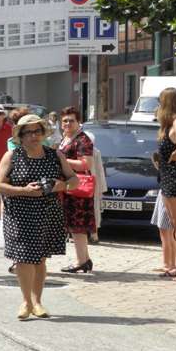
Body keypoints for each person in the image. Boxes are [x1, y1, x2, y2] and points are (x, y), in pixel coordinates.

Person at [0, 114, 78, 320]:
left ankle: (38, 302)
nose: (34, 136)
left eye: (37, 131)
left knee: (40, 259)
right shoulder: (12, 156)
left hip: (47, 213)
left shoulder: (54, 155)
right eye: (28, 132)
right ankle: (26, 302)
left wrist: (63, 185)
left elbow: (74, 180)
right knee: (24, 259)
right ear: (20, 136)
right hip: (20, 214)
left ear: (43, 133)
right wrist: (24, 190)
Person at [58, 106, 96, 273]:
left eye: (71, 120)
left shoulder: (82, 139)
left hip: (78, 189)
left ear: (78, 121)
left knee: (78, 227)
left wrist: (62, 159)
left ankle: (82, 262)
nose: (67, 123)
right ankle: (84, 260)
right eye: (65, 120)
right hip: (68, 188)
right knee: (75, 227)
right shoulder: (66, 138)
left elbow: (86, 164)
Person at [157, 88, 176, 280]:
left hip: (175, 180)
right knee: (174, 226)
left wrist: (174, 155)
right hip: (167, 179)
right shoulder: (166, 126)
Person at [150, 151, 176, 278]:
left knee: (167, 232)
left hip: (169, 194)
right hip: (164, 193)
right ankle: (167, 263)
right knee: (164, 231)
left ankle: (171, 266)